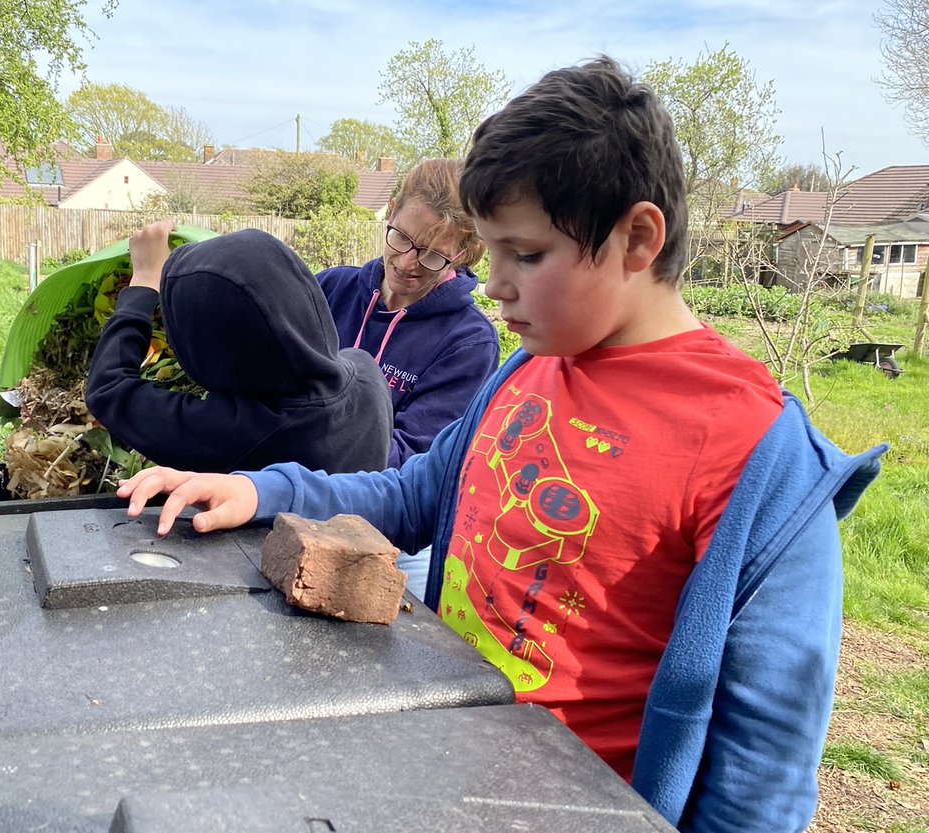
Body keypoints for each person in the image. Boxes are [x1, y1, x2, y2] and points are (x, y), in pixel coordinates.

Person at [112, 57, 887, 832]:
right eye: (490, 253)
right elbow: (412, 494)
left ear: (638, 237)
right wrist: (263, 489)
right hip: (436, 761)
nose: (493, 284)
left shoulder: (762, 454)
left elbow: (767, 766)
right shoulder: (528, 371)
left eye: (528, 254)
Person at [317, 161, 500, 597]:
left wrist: (291, 435)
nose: (407, 262)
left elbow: (412, 459)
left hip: (390, 528)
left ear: (465, 254)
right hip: (300, 486)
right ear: (393, 210)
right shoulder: (330, 289)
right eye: (401, 237)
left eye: (433, 255)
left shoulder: (470, 341)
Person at [85, 222, 393, 475]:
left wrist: (143, 284)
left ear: (213, 357)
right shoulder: (366, 372)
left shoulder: (240, 432)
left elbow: (109, 389)